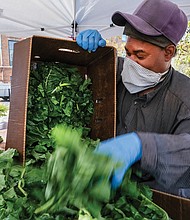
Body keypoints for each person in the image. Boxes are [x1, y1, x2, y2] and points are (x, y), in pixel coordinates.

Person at [76, 0, 190, 198]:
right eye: (127, 52)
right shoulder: (115, 72)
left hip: (153, 198)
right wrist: (88, 56)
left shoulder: (184, 96)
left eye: (140, 55)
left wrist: (141, 146)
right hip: (102, 188)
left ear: (168, 52)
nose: (130, 63)